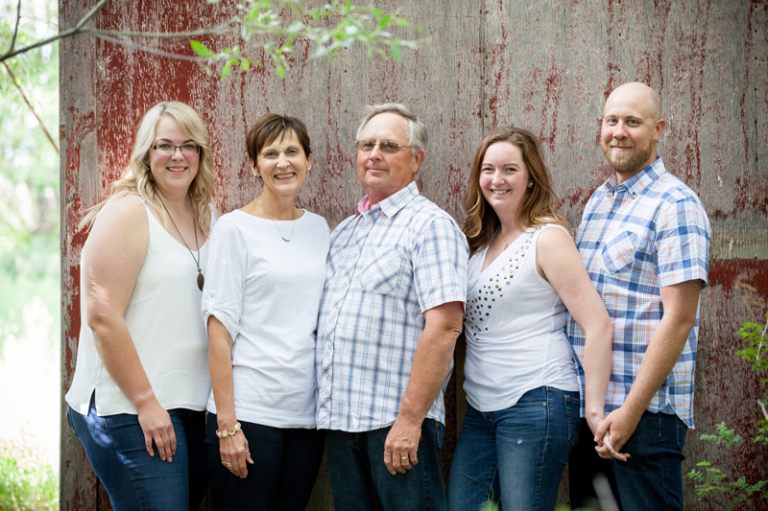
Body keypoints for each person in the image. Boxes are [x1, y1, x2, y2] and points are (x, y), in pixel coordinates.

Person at [447, 127, 614, 511]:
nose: (497, 179)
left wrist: (594, 412)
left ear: (531, 178)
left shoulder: (547, 238)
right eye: (488, 169)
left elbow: (598, 325)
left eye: (510, 169)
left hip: (535, 401)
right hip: (481, 408)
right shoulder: (479, 244)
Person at [315, 103, 468, 511]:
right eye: (366, 145)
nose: (374, 154)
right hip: (342, 425)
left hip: (395, 426)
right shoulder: (344, 233)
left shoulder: (430, 226)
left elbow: (445, 328)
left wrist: (410, 420)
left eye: (388, 146)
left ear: (416, 159)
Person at [65, 101, 216, 511]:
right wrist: (146, 402)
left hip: (188, 405)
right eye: (164, 145)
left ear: (200, 153)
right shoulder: (129, 211)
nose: (177, 155)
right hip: (128, 404)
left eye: (188, 145)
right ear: (147, 153)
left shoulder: (208, 216)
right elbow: (102, 317)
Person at [567, 82, 711, 511]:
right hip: (591, 413)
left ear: (658, 129)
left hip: (643, 417)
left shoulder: (676, 204)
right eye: (611, 120)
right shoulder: (599, 201)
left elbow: (679, 319)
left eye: (632, 122)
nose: (619, 132)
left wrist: (630, 412)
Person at [201, 113, 328, 511]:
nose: (283, 162)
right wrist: (228, 426)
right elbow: (218, 333)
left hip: (306, 417)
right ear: (255, 165)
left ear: (308, 160)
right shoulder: (233, 229)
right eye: (270, 154)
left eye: (292, 151)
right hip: (249, 413)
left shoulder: (319, 229)